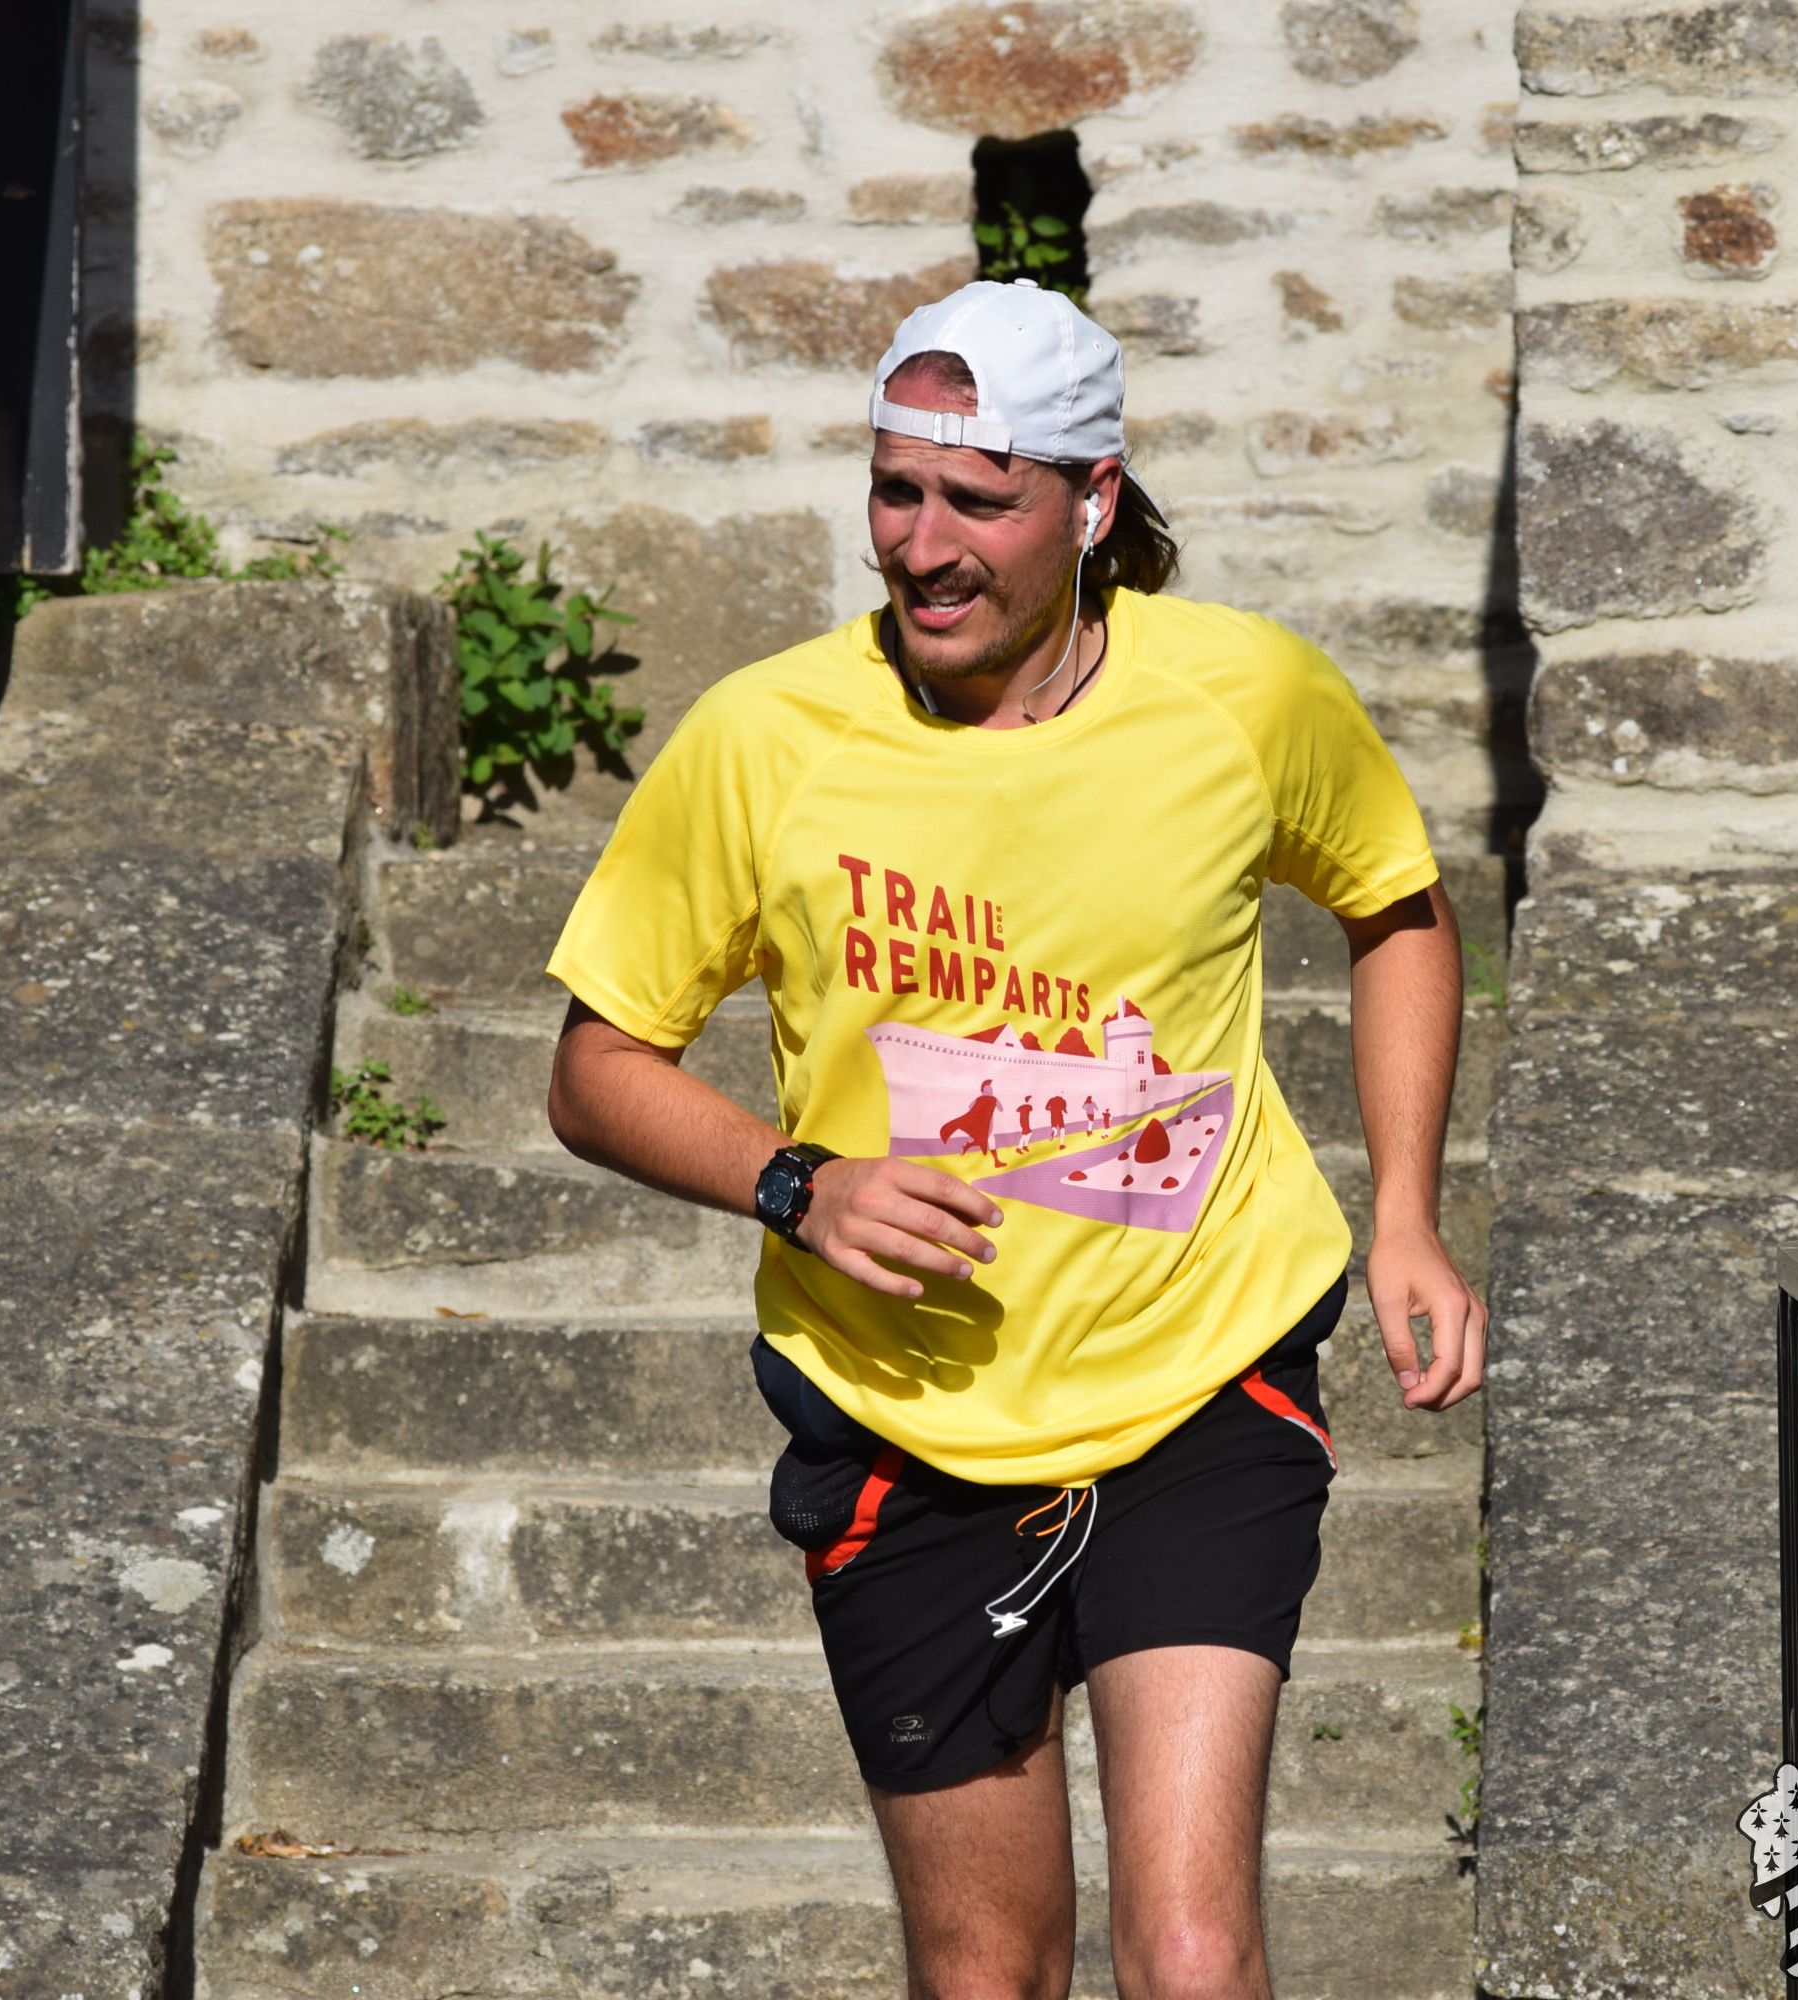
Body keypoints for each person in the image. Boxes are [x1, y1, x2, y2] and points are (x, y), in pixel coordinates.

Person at [545, 278, 1483, 2000]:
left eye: (976, 501)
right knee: (990, 1971)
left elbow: (1396, 906)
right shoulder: (767, 737)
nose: (923, 545)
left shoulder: (1244, 694)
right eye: (895, 491)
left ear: (1092, 501)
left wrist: (1406, 1210)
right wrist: (798, 1185)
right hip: (903, 1420)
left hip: (1199, 1372)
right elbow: (597, 1066)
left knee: (1190, 1951)